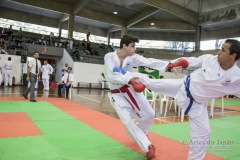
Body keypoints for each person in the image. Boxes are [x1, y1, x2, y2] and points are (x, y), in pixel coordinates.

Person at [133, 39, 240, 160]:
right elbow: (190, 61)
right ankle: (126, 77)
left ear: (233, 56)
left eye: (223, 50)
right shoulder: (210, 59)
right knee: (152, 83)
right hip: (183, 86)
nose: (219, 52)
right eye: (220, 48)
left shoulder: (237, 77)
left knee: (203, 133)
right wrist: (175, 63)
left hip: (197, 104)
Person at [104, 34, 171, 160]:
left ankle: (141, 133)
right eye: (132, 46)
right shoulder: (109, 57)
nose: (135, 49)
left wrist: (169, 65)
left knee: (150, 114)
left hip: (130, 89)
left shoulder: (132, 58)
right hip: (116, 94)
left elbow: (149, 61)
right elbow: (111, 76)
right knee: (127, 121)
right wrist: (128, 77)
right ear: (124, 45)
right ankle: (147, 147)